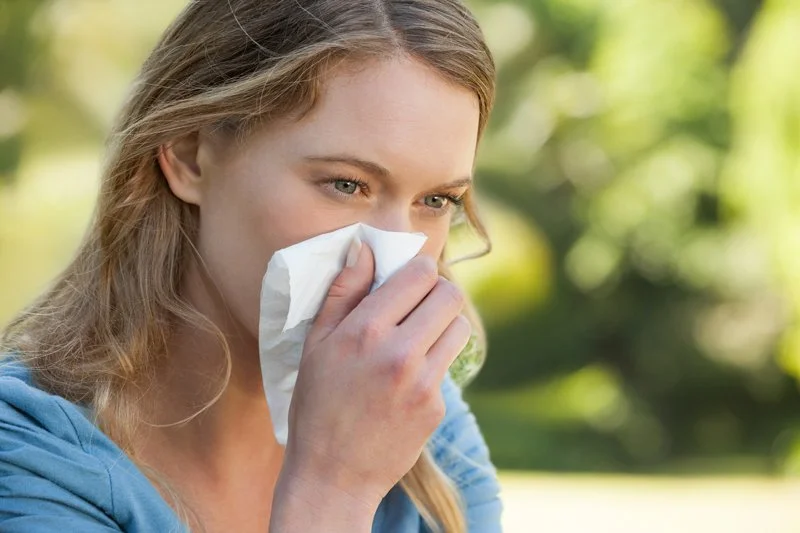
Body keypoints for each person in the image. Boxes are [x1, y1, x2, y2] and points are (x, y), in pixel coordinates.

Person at [0, 1, 501, 531]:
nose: (394, 256)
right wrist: (334, 487)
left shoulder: (416, 425)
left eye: (438, 200)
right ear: (191, 156)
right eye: (346, 184)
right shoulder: (31, 452)